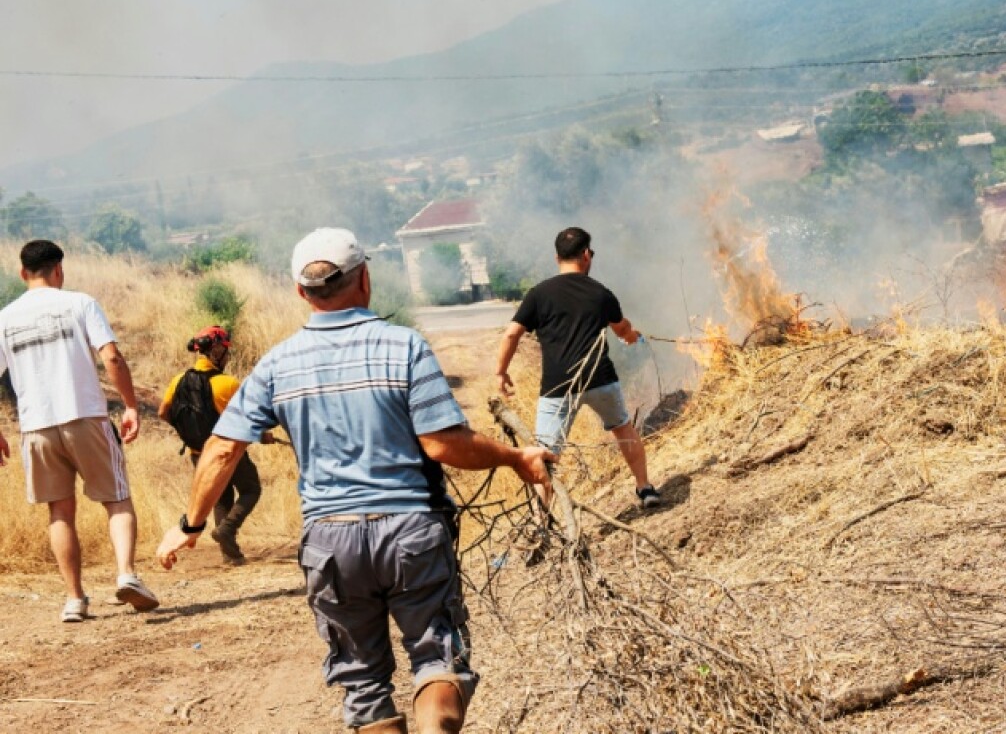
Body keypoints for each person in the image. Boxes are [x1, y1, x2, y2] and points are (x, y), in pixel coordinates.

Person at [156, 227, 553, 734]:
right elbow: (443, 444)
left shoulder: (277, 363)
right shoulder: (404, 346)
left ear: (302, 292)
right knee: (438, 662)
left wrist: (189, 525)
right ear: (365, 278)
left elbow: (222, 448)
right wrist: (514, 457)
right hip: (411, 531)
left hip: (331, 541)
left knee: (364, 686)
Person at [0, 240, 159, 622]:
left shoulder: (4, 318)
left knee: (59, 510)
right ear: (59, 271)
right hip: (85, 416)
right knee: (116, 498)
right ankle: (126, 574)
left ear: (23, 274)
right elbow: (111, 357)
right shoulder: (80, 303)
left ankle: (73, 599)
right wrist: (132, 406)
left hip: (36, 426)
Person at [495, 226, 661, 509]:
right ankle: (644, 488)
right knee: (623, 428)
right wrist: (634, 338)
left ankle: (542, 521)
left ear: (557, 257)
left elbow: (511, 334)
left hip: (558, 386)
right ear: (586, 255)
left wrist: (501, 371)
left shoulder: (539, 294)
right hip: (600, 379)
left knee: (543, 454)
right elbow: (622, 329)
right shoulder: (600, 292)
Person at [158, 325, 262, 564]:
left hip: (199, 454)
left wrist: (186, 430)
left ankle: (230, 554)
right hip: (226, 452)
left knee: (220, 498)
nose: (227, 355)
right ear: (216, 351)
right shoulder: (227, 383)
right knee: (251, 489)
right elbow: (247, 419)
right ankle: (228, 530)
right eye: (225, 350)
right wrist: (263, 435)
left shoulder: (177, 381)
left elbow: (163, 412)